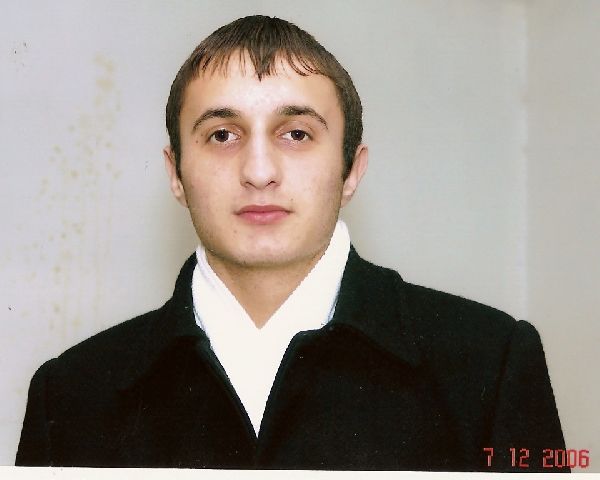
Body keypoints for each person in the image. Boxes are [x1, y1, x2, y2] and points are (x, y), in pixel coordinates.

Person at [16, 15, 567, 471]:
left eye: (296, 133)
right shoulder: (70, 394)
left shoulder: (491, 364)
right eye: (222, 135)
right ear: (176, 174)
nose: (259, 171)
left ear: (351, 171)